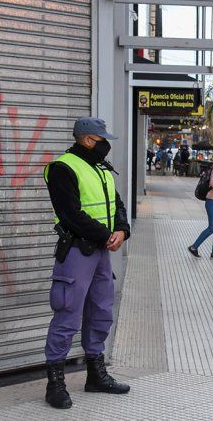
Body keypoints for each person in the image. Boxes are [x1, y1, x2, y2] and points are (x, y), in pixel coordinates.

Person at [42, 117, 131, 409]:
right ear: (88, 140)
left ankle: (96, 374)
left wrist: (122, 229)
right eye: (101, 139)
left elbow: (116, 203)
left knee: (101, 311)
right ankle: (55, 383)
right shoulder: (62, 168)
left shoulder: (101, 168)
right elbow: (69, 214)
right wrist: (107, 235)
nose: (105, 144)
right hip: (78, 252)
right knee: (67, 314)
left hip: (102, 252)